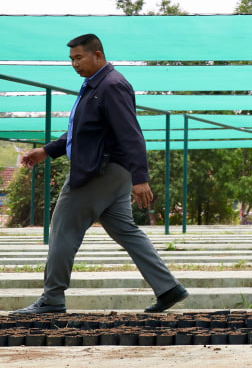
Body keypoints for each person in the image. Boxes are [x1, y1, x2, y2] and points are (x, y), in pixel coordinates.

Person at [14, 34, 187, 316]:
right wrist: (46, 150)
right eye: (71, 59)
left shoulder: (111, 85)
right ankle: (168, 288)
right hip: (112, 173)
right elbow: (82, 132)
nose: (74, 64)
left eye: (79, 58)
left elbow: (131, 133)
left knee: (62, 229)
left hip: (97, 172)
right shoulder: (94, 86)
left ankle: (52, 298)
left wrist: (141, 178)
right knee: (126, 231)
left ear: (98, 55)